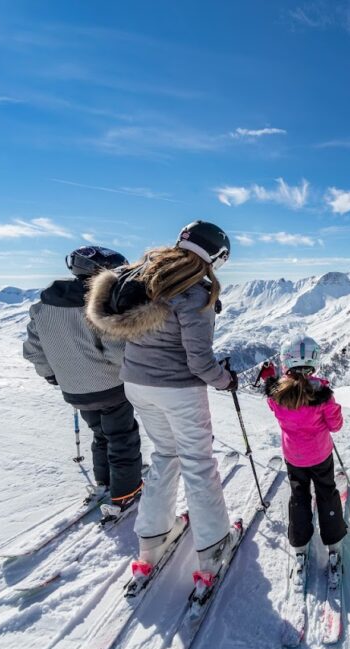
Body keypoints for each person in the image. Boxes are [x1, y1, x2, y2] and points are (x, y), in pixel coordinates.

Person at [85, 220, 239, 589]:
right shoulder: (194, 292)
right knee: (198, 464)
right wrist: (226, 381)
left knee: (165, 456)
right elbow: (199, 363)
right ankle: (213, 545)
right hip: (178, 392)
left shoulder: (141, 278)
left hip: (137, 383)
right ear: (215, 256)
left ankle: (152, 541)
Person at [23, 246, 143, 519]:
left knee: (101, 435)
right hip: (110, 387)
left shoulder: (42, 308)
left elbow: (34, 349)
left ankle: (105, 482)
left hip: (74, 389)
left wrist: (52, 375)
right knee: (121, 438)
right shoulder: (99, 306)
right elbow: (116, 352)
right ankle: (126, 493)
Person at [264, 334, 346, 582]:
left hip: (294, 457)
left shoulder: (277, 396)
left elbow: (276, 395)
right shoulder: (322, 395)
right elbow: (336, 425)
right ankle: (333, 544)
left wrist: (270, 379)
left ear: (285, 362)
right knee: (327, 493)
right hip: (320, 455)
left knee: (299, 496)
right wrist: (328, 399)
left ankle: (299, 546)